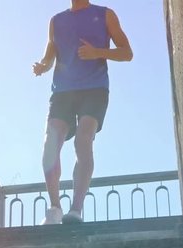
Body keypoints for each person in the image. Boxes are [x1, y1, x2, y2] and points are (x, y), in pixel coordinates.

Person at [33, 0, 133, 225]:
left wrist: (97, 52)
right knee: (51, 143)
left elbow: (127, 53)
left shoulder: (105, 14)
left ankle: (76, 210)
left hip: (94, 88)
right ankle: (55, 208)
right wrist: (42, 66)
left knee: (83, 141)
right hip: (63, 91)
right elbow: (50, 55)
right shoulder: (56, 21)